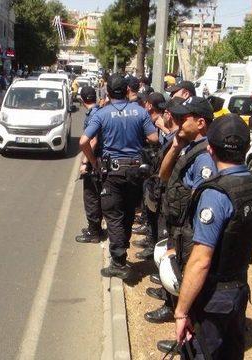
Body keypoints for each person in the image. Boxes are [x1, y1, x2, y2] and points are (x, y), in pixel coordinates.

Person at [166, 113, 252, 359]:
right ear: (246, 148)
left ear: (210, 149)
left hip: (212, 296)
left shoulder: (215, 194)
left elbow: (201, 261)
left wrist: (181, 312)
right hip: (238, 289)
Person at [145, 96, 217, 324]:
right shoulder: (186, 145)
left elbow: (202, 204)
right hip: (177, 225)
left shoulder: (205, 158)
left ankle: (188, 334)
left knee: (188, 279)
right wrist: (176, 145)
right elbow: (164, 175)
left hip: (189, 232)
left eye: (184, 118)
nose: (177, 122)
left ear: (201, 123)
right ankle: (172, 306)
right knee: (175, 272)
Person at [80, 74, 159, 279]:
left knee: (113, 215)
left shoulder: (102, 114)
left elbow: (83, 141)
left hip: (112, 172)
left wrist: (93, 161)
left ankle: (118, 261)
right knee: (128, 213)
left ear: (107, 93)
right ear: (127, 92)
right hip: (135, 172)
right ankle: (121, 253)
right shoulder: (140, 112)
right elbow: (153, 137)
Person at [134, 93, 180, 260]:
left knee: (162, 226)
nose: (164, 114)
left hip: (166, 186)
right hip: (154, 180)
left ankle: (160, 260)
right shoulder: (165, 128)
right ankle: (152, 244)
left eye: (167, 112)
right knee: (153, 217)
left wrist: (164, 130)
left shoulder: (173, 134)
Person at [76, 86, 105, 244]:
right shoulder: (98, 111)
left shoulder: (93, 114)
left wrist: (86, 162)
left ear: (82, 99)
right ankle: (96, 228)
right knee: (95, 196)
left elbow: (92, 140)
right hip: (100, 160)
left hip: (95, 161)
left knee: (91, 197)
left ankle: (93, 232)